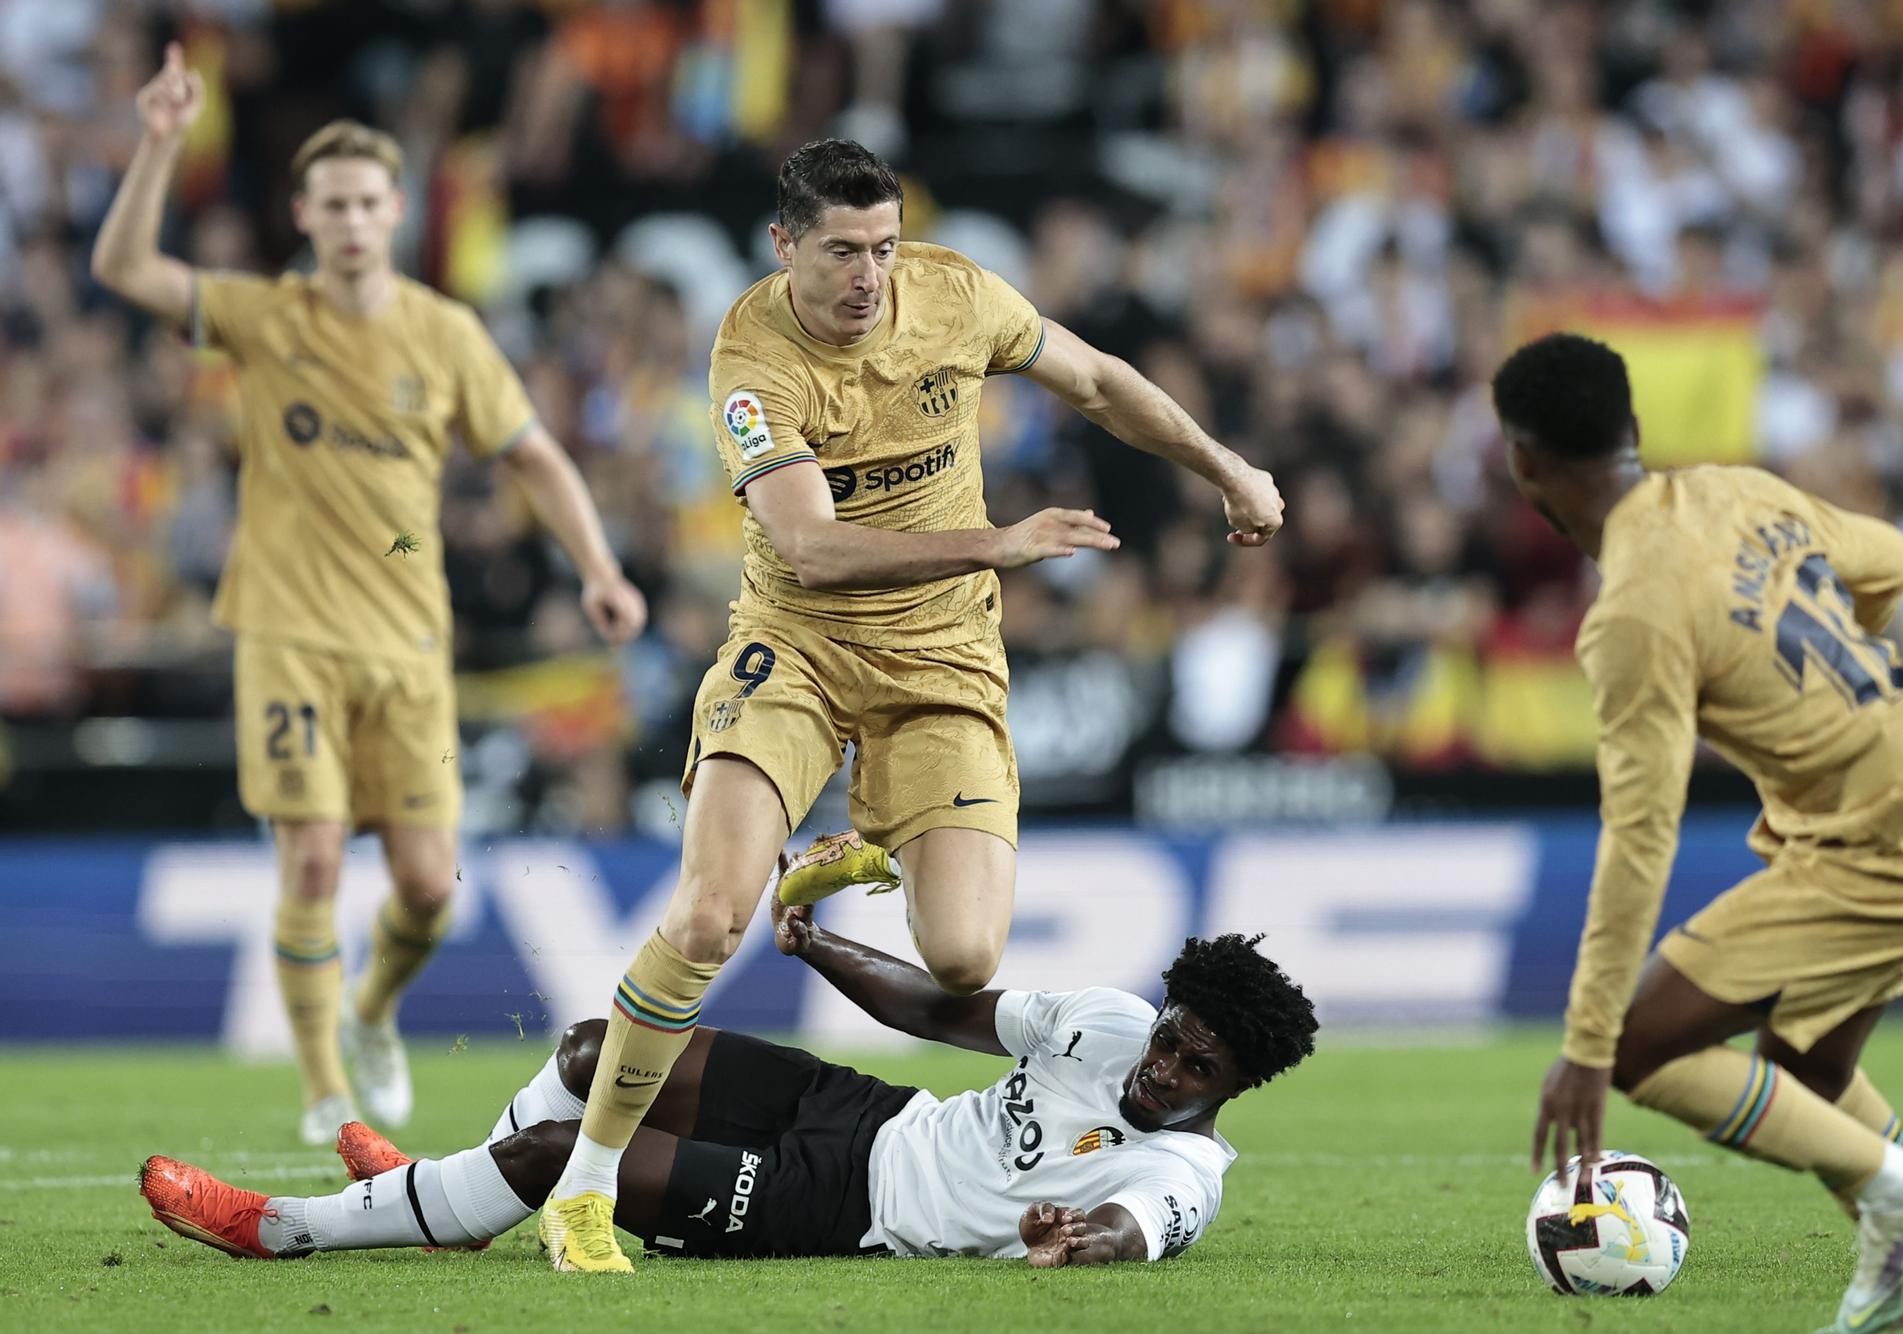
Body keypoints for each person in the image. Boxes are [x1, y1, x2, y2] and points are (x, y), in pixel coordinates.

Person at [534, 137, 1286, 1271]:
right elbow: (809, 546)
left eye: (883, 246)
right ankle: (585, 1186)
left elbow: (1092, 380)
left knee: (965, 956)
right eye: (841, 250)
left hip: (941, 662)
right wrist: (1000, 540)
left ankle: (826, 858)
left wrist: (1225, 467)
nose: (868, 275)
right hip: (795, 644)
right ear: (784, 243)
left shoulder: (956, 295)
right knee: (703, 914)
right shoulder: (753, 355)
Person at [90, 46, 648, 1144]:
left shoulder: (443, 333)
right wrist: (159, 142)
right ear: (302, 212)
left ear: (395, 209)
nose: (349, 218)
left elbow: (533, 455)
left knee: (431, 887)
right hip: (287, 633)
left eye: (366, 200)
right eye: (330, 201)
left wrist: (599, 568)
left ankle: (374, 1011)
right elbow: (123, 269)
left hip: (406, 645)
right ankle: (321, 1088)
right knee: (309, 850)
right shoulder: (263, 316)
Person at [1496, 333, 1903, 1334]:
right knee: (1803, 1066)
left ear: (1521, 461)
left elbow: (1640, 835)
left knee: (1645, 1045)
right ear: (1632, 431)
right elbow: (1892, 560)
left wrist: (1585, 1043)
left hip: (1880, 844)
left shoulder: (1631, 610)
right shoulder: (1738, 492)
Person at [138, 889, 1318, 1267]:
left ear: (1237, 1080)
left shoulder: (1183, 1168)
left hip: (850, 1209)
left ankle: (284, 1228)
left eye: (1192, 1064)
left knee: (564, 1163)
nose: (1159, 1067)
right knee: (603, 1054)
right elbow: (948, 1007)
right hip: (874, 1114)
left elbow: (1130, 1224)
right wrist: (817, 942)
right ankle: (447, 1199)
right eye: (1168, 1035)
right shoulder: (1107, 1023)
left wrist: (1083, 1235)